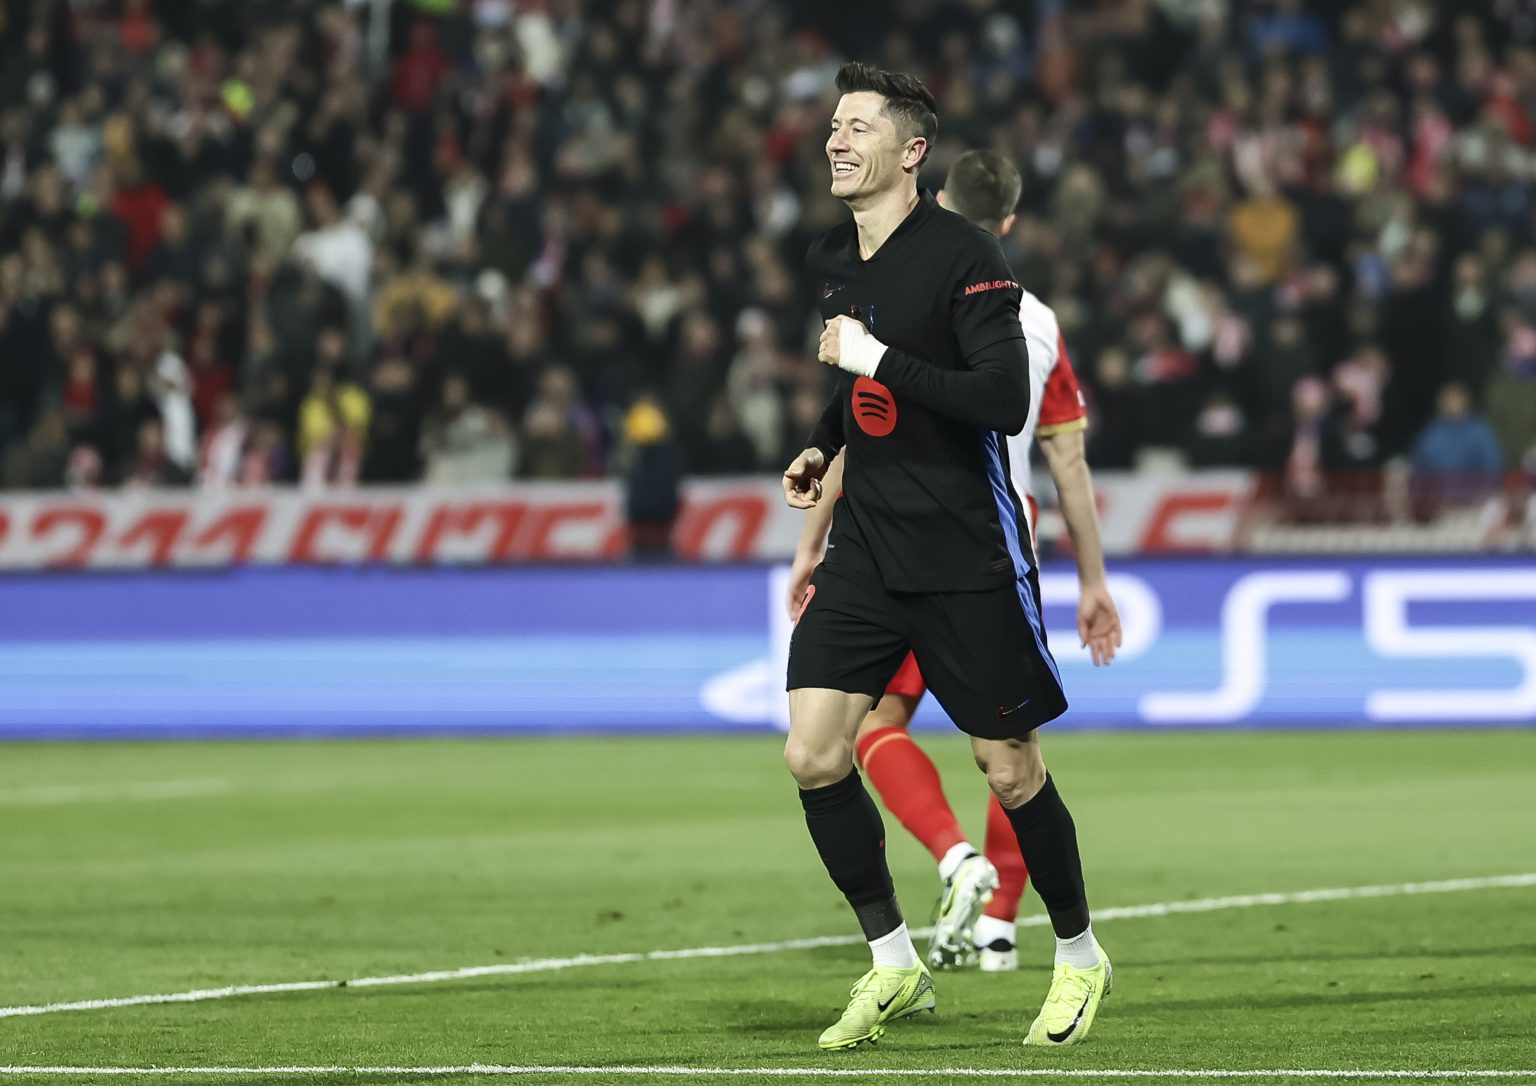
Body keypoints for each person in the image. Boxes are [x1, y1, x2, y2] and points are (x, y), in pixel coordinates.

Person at [780, 63, 1110, 1052]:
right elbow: (856, 392)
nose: (836, 140)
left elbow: (1002, 398)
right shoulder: (839, 261)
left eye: (858, 127)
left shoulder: (966, 255)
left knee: (1009, 769)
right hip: (870, 551)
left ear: (910, 152)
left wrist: (871, 361)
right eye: (832, 126)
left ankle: (1083, 958)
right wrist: (823, 445)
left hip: (967, 551)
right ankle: (893, 964)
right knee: (813, 750)